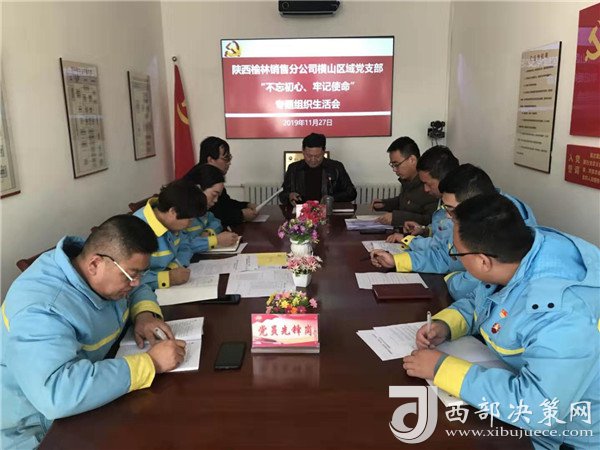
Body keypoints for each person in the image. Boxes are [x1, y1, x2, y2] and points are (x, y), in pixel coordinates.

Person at [403, 194, 600, 450]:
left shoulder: (564, 314)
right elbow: (481, 301)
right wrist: (445, 325)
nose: (457, 259)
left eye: (457, 253)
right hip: (518, 406)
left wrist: (442, 369)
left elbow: (537, 409)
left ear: (483, 261)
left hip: (567, 435)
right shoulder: (521, 256)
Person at [1, 215, 187, 448]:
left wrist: (144, 314)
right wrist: (151, 364)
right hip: (36, 429)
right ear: (95, 264)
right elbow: (56, 394)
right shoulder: (42, 308)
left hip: (92, 393)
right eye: (131, 275)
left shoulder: (96, 267)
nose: (137, 282)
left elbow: (137, 289)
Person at [370, 164, 537, 300]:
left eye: (450, 209)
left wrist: (450, 278)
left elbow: (464, 287)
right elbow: (444, 254)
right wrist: (396, 260)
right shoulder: (476, 215)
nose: (448, 216)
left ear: (473, 202)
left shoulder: (503, 223)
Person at [130, 180, 205, 306]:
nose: (190, 224)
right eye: (189, 220)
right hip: (145, 298)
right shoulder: (136, 230)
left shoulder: (172, 223)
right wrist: (168, 277)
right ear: (173, 211)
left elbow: (185, 246)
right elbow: (129, 278)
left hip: (169, 290)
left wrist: (173, 267)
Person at [385, 145, 459, 250]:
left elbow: (441, 247)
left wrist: (407, 240)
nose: (426, 189)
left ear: (444, 180)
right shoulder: (442, 199)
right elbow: (439, 230)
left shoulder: (456, 206)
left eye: (428, 184)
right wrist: (424, 230)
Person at [183, 136, 258, 226]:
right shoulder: (197, 180)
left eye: (229, 158)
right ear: (210, 160)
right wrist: (241, 215)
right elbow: (213, 215)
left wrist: (246, 205)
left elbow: (225, 203)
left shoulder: (214, 176)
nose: (229, 163)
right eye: (226, 158)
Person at [179, 164, 240, 265]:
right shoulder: (180, 213)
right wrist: (215, 240)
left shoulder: (202, 211)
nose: (216, 200)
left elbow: (216, 221)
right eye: (214, 195)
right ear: (198, 189)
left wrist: (209, 232)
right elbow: (183, 246)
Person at [371, 137, 438, 227]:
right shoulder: (407, 181)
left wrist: (397, 217)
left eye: (397, 164)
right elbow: (405, 202)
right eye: (392, 165)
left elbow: (431, 220)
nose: (394, 169)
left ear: (412, 160)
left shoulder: (430, 185)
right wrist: (384, 204)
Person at [279, 132, 357, 205]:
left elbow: (352, 193)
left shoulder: (336, 167)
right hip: (302, 212)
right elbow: (282, 195)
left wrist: (332, 198)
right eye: (309, 156)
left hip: (328, 212)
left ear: (324, 151)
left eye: (317, 156)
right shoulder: (293, 169)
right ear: (303, 151)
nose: (313, 160)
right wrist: (289, 196)